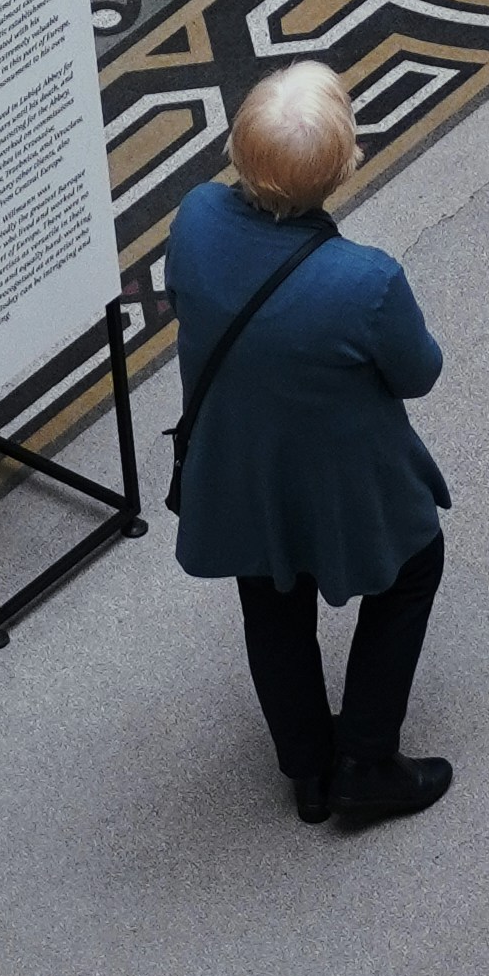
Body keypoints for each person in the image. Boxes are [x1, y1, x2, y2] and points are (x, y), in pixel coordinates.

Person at [166, 63, 451, 828]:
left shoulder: (193, 219)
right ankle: (367, 758)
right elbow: (420, 373)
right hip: (344, 480)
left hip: (241, 472)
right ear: (341, 169)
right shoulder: (366, 281)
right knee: (414, 567)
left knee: (269, 602)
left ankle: (309, 769)